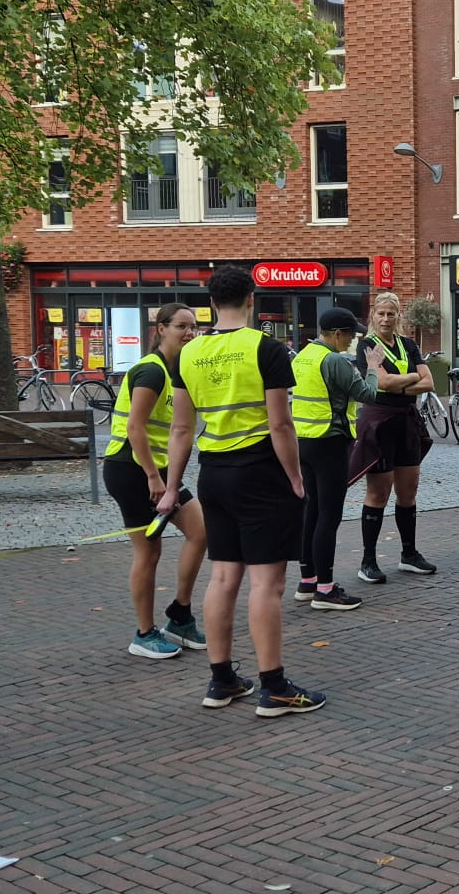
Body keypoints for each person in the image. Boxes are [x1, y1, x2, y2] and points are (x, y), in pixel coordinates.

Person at [157, 265, 322, 716]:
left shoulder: (187, 354)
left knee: (225, 576)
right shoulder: (266, 349)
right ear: (252, 298)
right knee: (267, 583)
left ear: (211, 303)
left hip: (215, 474)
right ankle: (275, 688)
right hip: (261, 472)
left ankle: (221, 679)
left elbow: (180, 429)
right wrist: (295, 477)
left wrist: (172, 488)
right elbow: (281, 423)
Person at [102, 301, 210, 659]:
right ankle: (144, 634)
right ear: (161, 329)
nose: (189, 332)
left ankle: (179, 615)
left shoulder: (177, 369)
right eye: (181, 326)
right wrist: (153, 477)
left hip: (159, 470)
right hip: (131, 470)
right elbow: (134, 427)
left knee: (201, 532)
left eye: (193, 326)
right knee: (148, 553)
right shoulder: (151, 372)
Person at [292, 307, 384, 611]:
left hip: (304, 441)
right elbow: (368, 394)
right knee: (328, 516)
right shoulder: (334, 360)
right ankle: (326, 590)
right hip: (330, 442)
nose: (352, 341)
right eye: (350, 335)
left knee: (311, 512)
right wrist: (373, 367)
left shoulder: (303, 356)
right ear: (336, 334)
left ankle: (308, 581)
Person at [351, 291, 436, 584]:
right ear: (372, 316)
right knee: (379, 492)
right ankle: (368, 561)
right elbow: (381, 382)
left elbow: (430, 382)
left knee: (408, 490)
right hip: (379, 422)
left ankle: (409, 555)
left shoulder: (408, 345)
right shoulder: (367, 346)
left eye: (391, 313)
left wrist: (401, 384)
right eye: (381, 313)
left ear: (399, 316)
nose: (386, 318)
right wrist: (412, 379)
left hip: (406, 422)